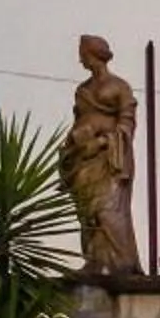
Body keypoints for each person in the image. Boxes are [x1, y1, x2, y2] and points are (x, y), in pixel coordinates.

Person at [65, 34, 140, 274]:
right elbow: (78, 120)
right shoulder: (82, 90)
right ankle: (95, 260)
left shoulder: (119, 86)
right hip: (84, 159)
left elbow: (127, 123)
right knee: (87, 213)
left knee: (108, 210)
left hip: (110, 158)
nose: (80, 60)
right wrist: (70, 145)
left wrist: (102, 142)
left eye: (83, 54)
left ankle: (121, 263)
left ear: (94, 54)